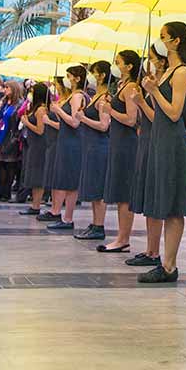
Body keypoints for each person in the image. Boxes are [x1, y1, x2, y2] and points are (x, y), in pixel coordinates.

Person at [134, 23, 186, 283]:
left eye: (163, 37)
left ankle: (169, 264)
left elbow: (174, 112)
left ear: (176, 41)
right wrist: (147, 95)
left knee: (172, 205)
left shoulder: (181, 72)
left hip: (172, 143)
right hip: (159, 140)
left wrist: (155, 91)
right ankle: (163, 259)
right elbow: (157, 113)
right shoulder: (167, 71)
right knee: (161, 201)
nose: (160, 42)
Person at [97, 50, 142, 253]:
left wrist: (110, 110)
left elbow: (132, 120)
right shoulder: (120, 86)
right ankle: (121, 236)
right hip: (117, 142)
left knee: (124, 192)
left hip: (126, 144)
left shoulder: (131, 87)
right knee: (118, 190)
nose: (115, 65)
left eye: (118, 62)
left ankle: (123, 238)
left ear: (129, 66)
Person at [126, 45, 165, 265]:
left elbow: (157, 116)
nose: (148, 62)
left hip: (155, 139)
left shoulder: (162, 83)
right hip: (146, 138)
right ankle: (150, 249)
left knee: (155, 196)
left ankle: (155, 251)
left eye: (151, 58)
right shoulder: (151, 81)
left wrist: (142, 101)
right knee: (147, 196)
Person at [75, 61, 113, 241]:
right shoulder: (96, 96)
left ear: (102, 75)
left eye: (93, 72)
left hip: (100, 147)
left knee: (98, 189)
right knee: (93, 188)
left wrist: (83, 119)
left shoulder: (104, 98)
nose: (90, 75)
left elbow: (104, 125)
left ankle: (99, 225)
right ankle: (95, 222)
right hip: (91, 146)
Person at [47, 66, 87, 230]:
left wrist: (58, 110)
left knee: (70, 180)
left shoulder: (77, 96)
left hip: (72, 142)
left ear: (77, 78)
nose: (66, 80)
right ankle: (66, 216)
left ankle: (68, 218)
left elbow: (74, 122)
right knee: (65, 178)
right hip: (66, 140)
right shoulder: (73, 96)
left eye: (69, 76)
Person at [18, 83, 49, 217]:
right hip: (33, 144)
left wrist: (27, 123)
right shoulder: (35, 108)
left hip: (39, 145)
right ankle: (34, 205)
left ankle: (36, 204)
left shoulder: (41, 110)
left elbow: (40, 130)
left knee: (38, 174)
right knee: (33, 173)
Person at [0, 80, 25, 203]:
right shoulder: (4, 103)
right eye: (5, 87)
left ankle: (7, 192)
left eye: (8, 88)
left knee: (10, 165)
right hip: (0, 135)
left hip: (11, 138)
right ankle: (1, 190)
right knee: (0, 164)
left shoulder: (19, 104)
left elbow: (18, 123)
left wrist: (16, 138)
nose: (5, 90)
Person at [35, 80, 63, 221]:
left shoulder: (62, 104)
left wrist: (49, 120)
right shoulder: (56, 103)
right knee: (52, 175)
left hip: (58, 142)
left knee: (57, 176)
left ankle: (57, 209)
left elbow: (66, 125)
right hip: (51, 142)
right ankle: (54, 208)